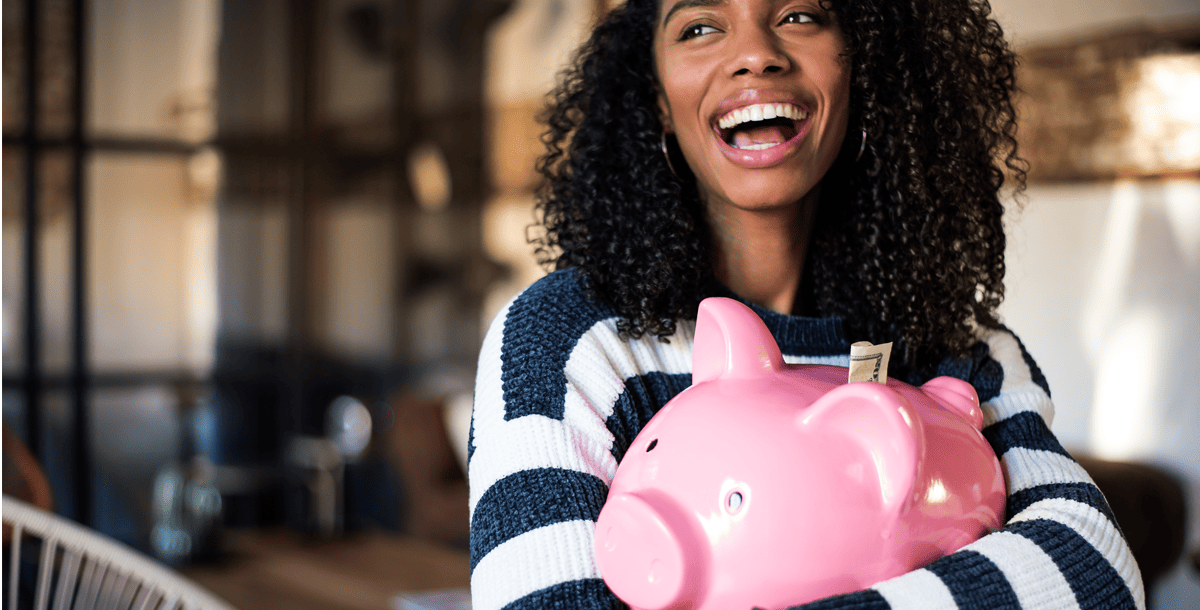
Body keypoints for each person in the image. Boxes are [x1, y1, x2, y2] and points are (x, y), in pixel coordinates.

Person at [468, 0, 1144, 608]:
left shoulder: (960, 350)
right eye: (700, 27)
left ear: (863, 69)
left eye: (800, 15)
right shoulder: (569, 340)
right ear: (654, 99)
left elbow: (1098, 572)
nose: (756, 52)